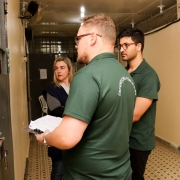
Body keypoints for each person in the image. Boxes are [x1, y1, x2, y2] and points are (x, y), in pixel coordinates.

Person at [37, 13, 136, 180]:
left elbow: (67, 137)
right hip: (121, 172)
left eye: (78, 39)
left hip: (89, 176)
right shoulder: (125, 76)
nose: (76, 45)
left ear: (92, 38)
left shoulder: (87, 76)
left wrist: (45, 137)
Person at [117, 28, 161, 180]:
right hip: (123, 138)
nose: (122, 49)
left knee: (134, 177)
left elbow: (135, 115)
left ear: (138, 46)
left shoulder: (149, 76)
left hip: (138, 142)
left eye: (126, 45)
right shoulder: (123, 72)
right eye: (120, 46)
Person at [42, 56, 74, 180]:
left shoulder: (76, 86)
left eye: (62, 68)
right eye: (56, 68)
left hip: (75, 134)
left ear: (69, 70)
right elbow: (56, 110)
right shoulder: (52, 89)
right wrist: (73, 107)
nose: (58, 71)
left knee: (73, 172)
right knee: (58, 172)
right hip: (58, 134)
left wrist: (65, 106)